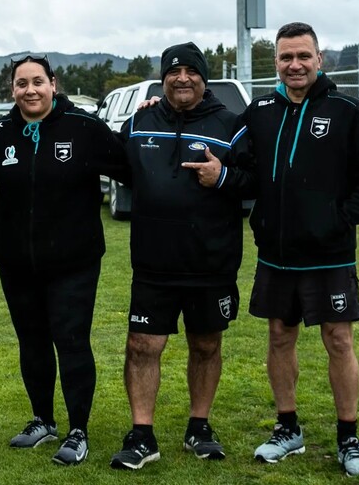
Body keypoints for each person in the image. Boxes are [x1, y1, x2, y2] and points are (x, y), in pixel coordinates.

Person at [0, 54, 128, 466]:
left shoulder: (85, 130)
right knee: (31, 342)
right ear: (12, 90)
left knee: (71, 341)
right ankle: (42, 419)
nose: (30, 90)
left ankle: (78, 429)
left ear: (53, 84)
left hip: (74, 261)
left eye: (38, 81)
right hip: (17, 262)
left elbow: (132, 166)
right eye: (22, 84)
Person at [243, 22, 359, 476]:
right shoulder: (261, 109)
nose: (294, 65)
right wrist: (156, 105)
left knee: (338, 340)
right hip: (276, 254)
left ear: (319, 59)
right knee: (279, 337)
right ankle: (288, 430)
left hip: (330, 255)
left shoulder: (347, 110)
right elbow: (228, 149)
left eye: (303, 56)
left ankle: (349, 438)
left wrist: (340, 220)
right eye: (286, 57)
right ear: (276, 63)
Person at [108, 43, 254, 470]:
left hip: (211, 262)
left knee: (206, 344)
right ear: (163, 78)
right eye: (174, 72)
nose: (183, 78)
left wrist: (223, 175)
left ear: (204, 78)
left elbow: (257, 180)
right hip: (153, 264)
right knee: (141, 346)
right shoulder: (139, 122)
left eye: (192, 71)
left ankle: (199, 426)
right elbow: (112, 165)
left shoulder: (232, 126)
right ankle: (142, 435)